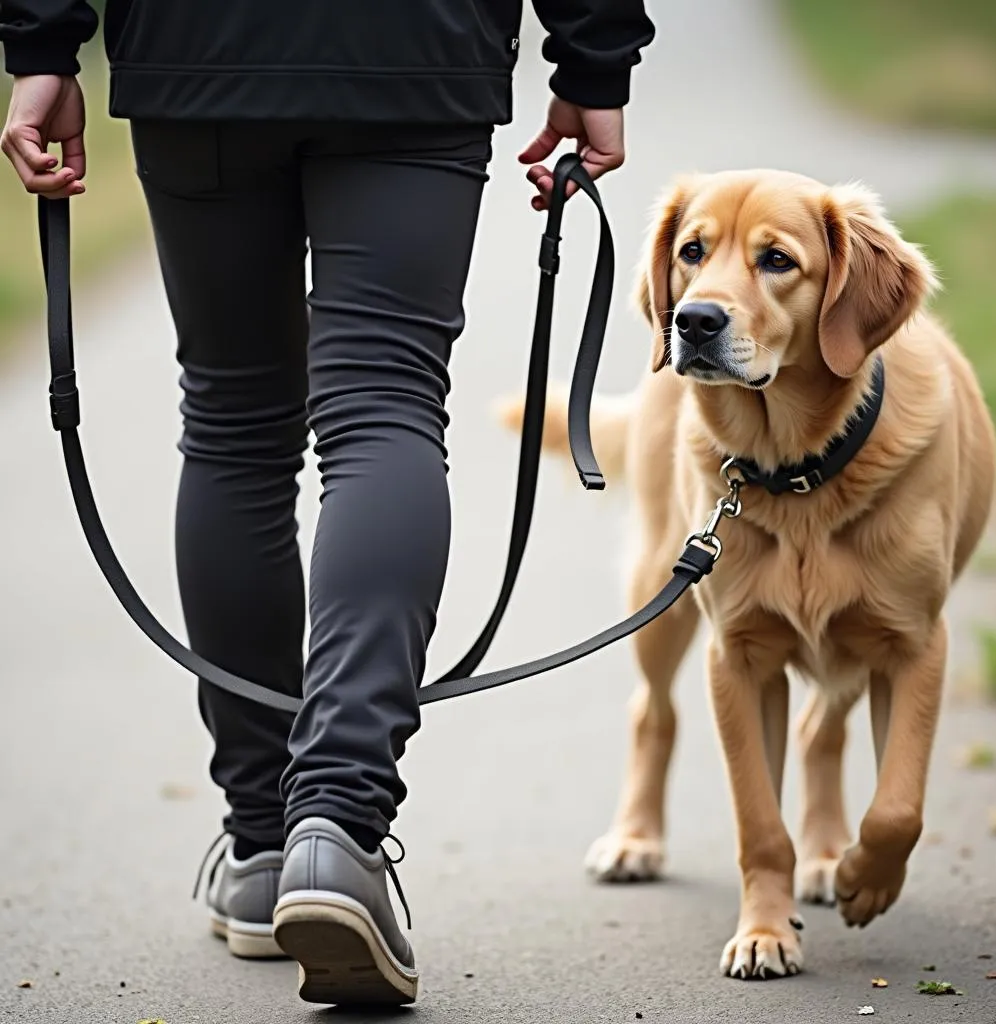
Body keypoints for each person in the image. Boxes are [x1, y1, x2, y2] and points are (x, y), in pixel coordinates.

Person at [1, 0, 655, 1007]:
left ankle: (264, 845)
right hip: (415, 47)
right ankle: (338, 828)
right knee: (386, 407)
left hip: (198, 46)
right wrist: (595, 54)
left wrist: (42, 42)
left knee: (233, 419)